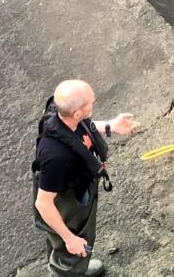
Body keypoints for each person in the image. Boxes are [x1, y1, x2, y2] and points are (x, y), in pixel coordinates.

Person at [32, 80, 138, 277]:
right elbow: (43, 204)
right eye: (91, 102)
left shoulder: (62, 114)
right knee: (72, 247)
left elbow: (83, 127)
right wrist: (69, 238)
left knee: (69, 247)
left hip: (78, 184)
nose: (94, 101)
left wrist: (110, 125)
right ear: (77, 113)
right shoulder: (56, 158)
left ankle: (74, 267)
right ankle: (69, 269)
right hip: (67, 203)